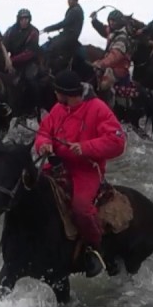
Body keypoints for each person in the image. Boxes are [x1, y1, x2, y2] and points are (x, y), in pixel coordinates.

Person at [32, 70, 127, 278]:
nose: (55, 95)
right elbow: (43, 132)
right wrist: (44, 145)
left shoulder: (98, 109)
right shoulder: (58, 108)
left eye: (56, 91)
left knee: (81, 208)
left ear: (64, 93)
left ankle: (95, 249)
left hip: (86, 170)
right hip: (58, 167)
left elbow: (118, 141)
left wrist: (85, 147)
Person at [88, 9, 133, 92]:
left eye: (114, 21)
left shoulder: (122, 38)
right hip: (110, 65)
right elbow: (103, 29)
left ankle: (107, 102)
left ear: (119, 22)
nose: (111, 23)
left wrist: (101, 64)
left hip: (119, 68)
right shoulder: (113, 31)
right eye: (110, 20)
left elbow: (114, 56)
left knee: (103, 85)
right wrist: (94, 20)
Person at [41, 0, 86, 70]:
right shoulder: (75, 9)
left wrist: (49, 28)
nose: (69, 1)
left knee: (51, 47)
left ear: (76, 0)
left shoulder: (75, 11)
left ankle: (48, 69)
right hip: (69, 35)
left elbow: (64, 23)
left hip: (69, 36)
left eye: (71, 0)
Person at [3, 8, 42, 82]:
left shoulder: (33, 32)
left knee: (30, 79)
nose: (24, 21)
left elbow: (30, 52)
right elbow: (4, 44)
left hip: (29, 61)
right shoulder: (11, 30)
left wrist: (11, 60)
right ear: (18, 19)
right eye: (22, 19)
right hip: (13, 60)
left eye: (26, 19)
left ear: (29, 19)